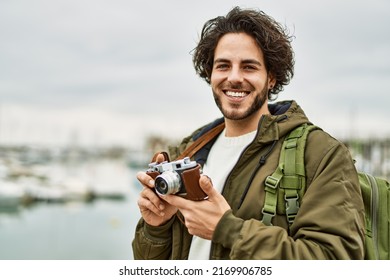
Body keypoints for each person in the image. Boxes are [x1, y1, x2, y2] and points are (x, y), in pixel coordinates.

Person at [132, 6, 365, 260]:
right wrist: (157, 227)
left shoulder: (322, 155)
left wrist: (228, 229)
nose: (234, 77)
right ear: (210, 74)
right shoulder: (190, 150)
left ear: (271, 77)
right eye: (223, 66)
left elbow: (338, 261)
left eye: (249, 67)